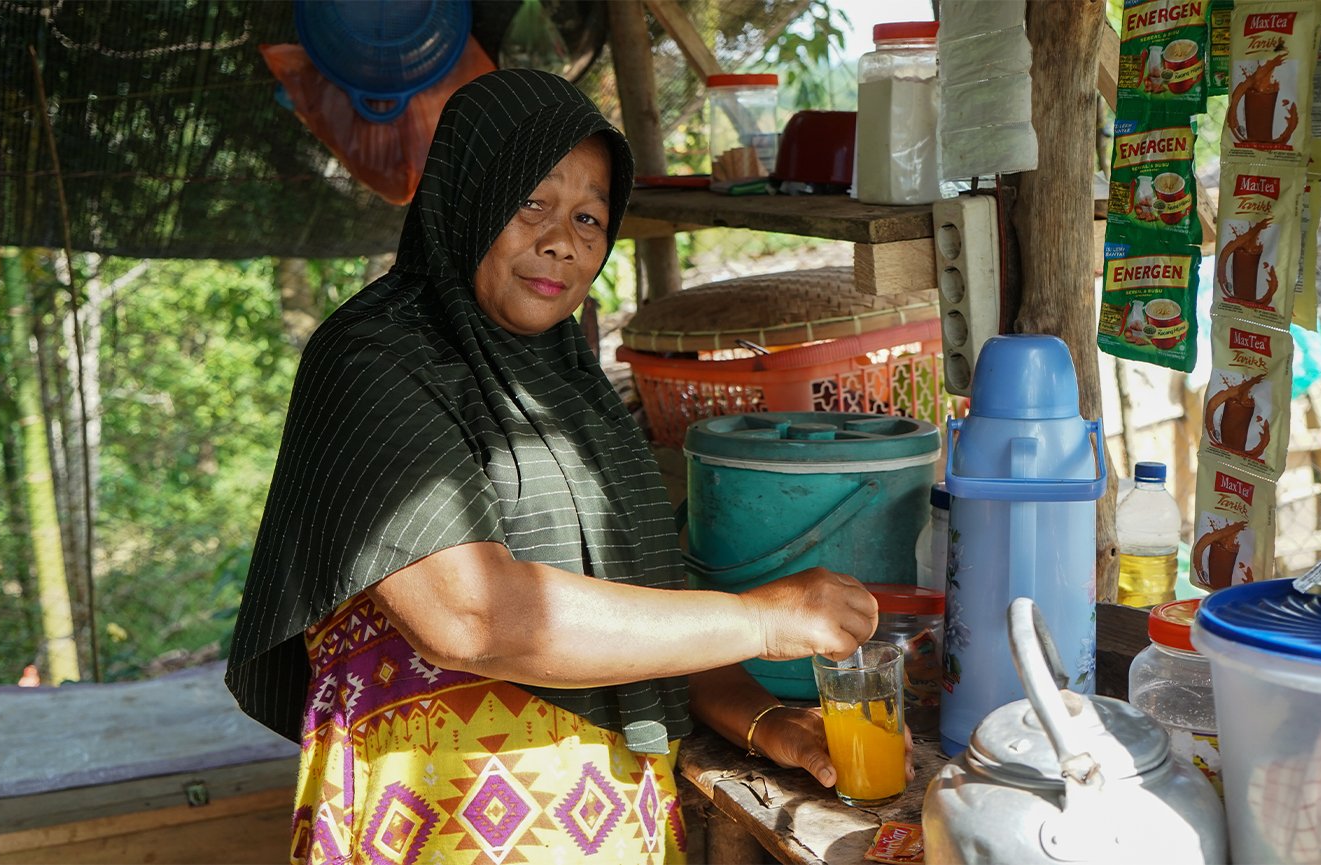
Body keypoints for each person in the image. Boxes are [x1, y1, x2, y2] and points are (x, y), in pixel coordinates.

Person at [227, 69, 887, 865]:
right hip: (441, 818)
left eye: (588, 216)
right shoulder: (374, 359)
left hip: (605, 818)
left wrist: (757, 717)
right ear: (468, 194)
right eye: (531, 202)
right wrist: (763, 618)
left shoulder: (568, 382)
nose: (562, 240)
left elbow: (642, 606)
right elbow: (471, 616)